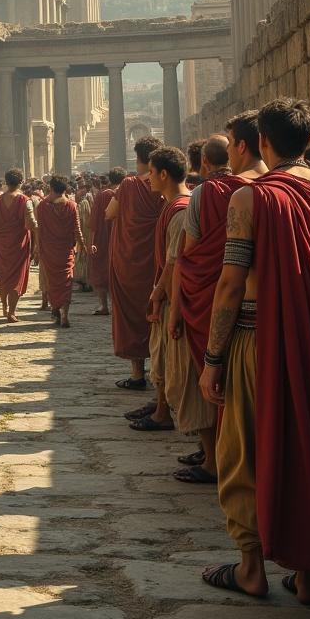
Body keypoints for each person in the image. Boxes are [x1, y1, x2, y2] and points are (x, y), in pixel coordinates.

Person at [199, 99, 310, 604]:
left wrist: (212, 359)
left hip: (257, 343)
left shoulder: (251, 200)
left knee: (244, 451)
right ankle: (309, 574)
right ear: (309, 140)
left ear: (263, 142)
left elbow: (230, 285)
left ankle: (251, 567)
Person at [171, 120, 265, 484]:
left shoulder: (210, 195)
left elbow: (190, 258)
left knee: (214, 381)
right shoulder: (278, 190)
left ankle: (218, 461)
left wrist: (176, 308)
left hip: (220, 306)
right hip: (273, 307)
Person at [132, 147, 190, 433]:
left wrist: (158, 293)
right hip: (167, 291)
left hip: (172, 295)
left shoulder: (182, 209)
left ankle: (164, 412)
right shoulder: (173, 205)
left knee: (168, 355)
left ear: (164, 174)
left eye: (151, 173)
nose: (147, 178)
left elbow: (174, 261)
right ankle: (160, 406)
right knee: (161, 354)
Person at [107, 137, 165, 392]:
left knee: (132, 315)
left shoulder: (128, 185)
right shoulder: (164, 185)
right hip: (157, 262)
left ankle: (137, 373)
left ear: (138, 157)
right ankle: (161, 371)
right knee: (158, 313)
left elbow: (109, 213)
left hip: (130, 261)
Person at [35, 175, 86, 328]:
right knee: (66, 281)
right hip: (65, 250)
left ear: (50, 188)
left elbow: (39, 230)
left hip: (49, 250)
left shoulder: (43, 206)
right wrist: (82, 245)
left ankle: (56, 309)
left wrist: (37, 249)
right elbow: (77, 229)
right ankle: (64, 314)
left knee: (52, 282)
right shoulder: (71, 206)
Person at [0, 169, 33, 322]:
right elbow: (30, 222)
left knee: (3, 275)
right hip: (19, 244)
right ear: (21, 182)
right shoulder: (24, 200)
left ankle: (4, 306)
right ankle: (12, 310)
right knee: (16, 277)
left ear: (6, 182)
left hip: (2, 244)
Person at [89, 172, 118, 316]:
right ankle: (117, 306)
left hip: (102, 238)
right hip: (121, 239)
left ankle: (104, 305)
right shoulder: (127, 192)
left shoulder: (102, 195)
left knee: (101, 270)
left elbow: (94, 219)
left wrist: (91, 241)